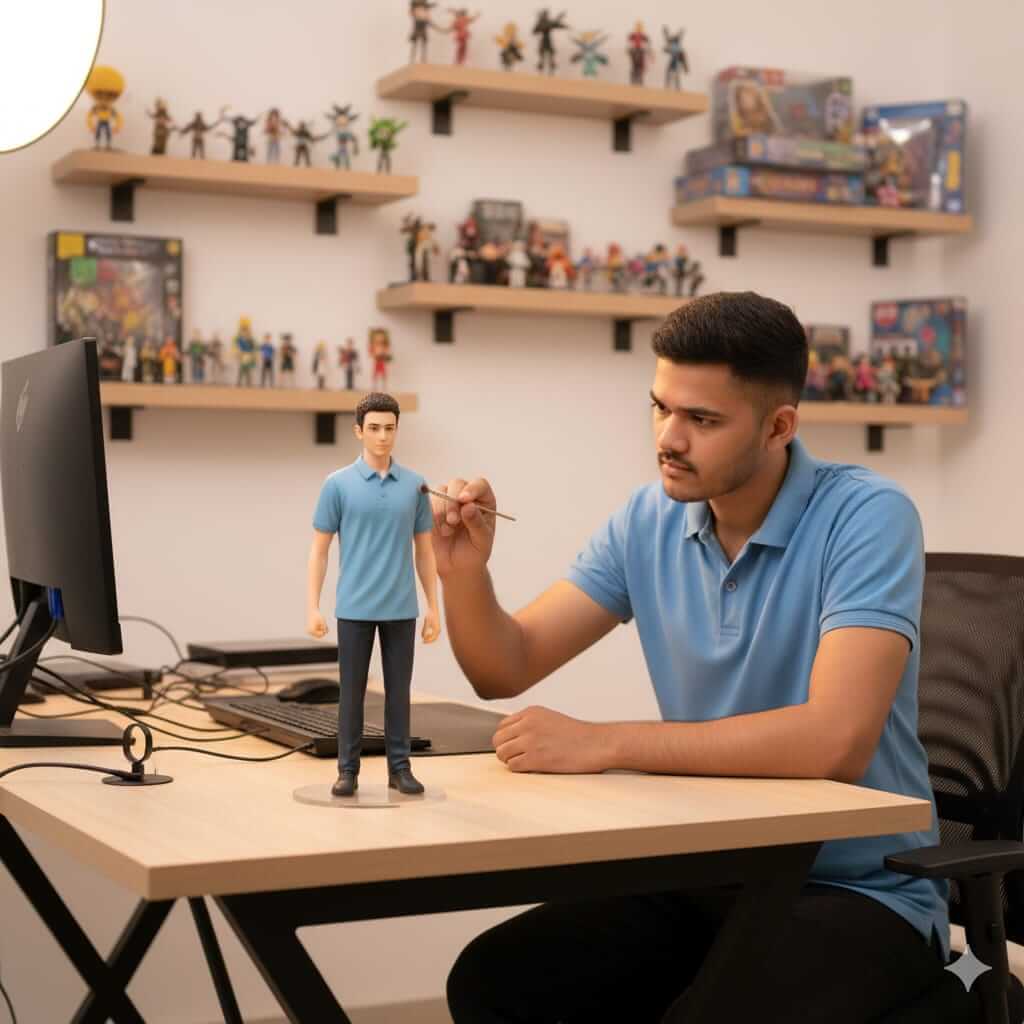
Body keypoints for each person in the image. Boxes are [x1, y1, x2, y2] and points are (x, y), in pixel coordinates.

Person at [434, 291, 950, 1023]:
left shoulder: (868, 515)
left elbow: (836, 741)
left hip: (860, 891)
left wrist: (603, 742)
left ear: (780, 427)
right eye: (660, 408)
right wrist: (464, 571)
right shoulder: (648, 519)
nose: (669, 438)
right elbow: (504, 665)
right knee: (497, 978)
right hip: (709, 872)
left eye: (702, 420)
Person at [307, 392, 441, 797]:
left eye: (390, 428)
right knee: (352, 693)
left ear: (398, 430)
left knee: (399, 693)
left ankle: (399, 767)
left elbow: (425, 550)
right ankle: (347, 770)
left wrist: (434, 607)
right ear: (359, 431)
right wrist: (312, 605)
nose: (383, 436)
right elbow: (320, 547)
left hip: (401, 607)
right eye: (375, 428)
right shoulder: (338, 485)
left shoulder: (416, 486)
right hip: (354, 606)